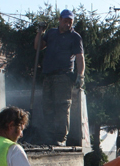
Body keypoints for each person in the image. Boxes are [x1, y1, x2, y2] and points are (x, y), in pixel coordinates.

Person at [34, 9, 85, 146]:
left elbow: (80, 58)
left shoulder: (75, 37)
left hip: (64, 76)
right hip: (48, 75)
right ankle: (49, 136)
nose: (68, 24)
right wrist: (40, 31)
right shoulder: (51, 33)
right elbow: (38, 47)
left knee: (62, 107)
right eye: (65, 21)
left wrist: (80, 76)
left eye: (70, 22)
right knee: (47, 106)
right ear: (60, 20)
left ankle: (61, 138)